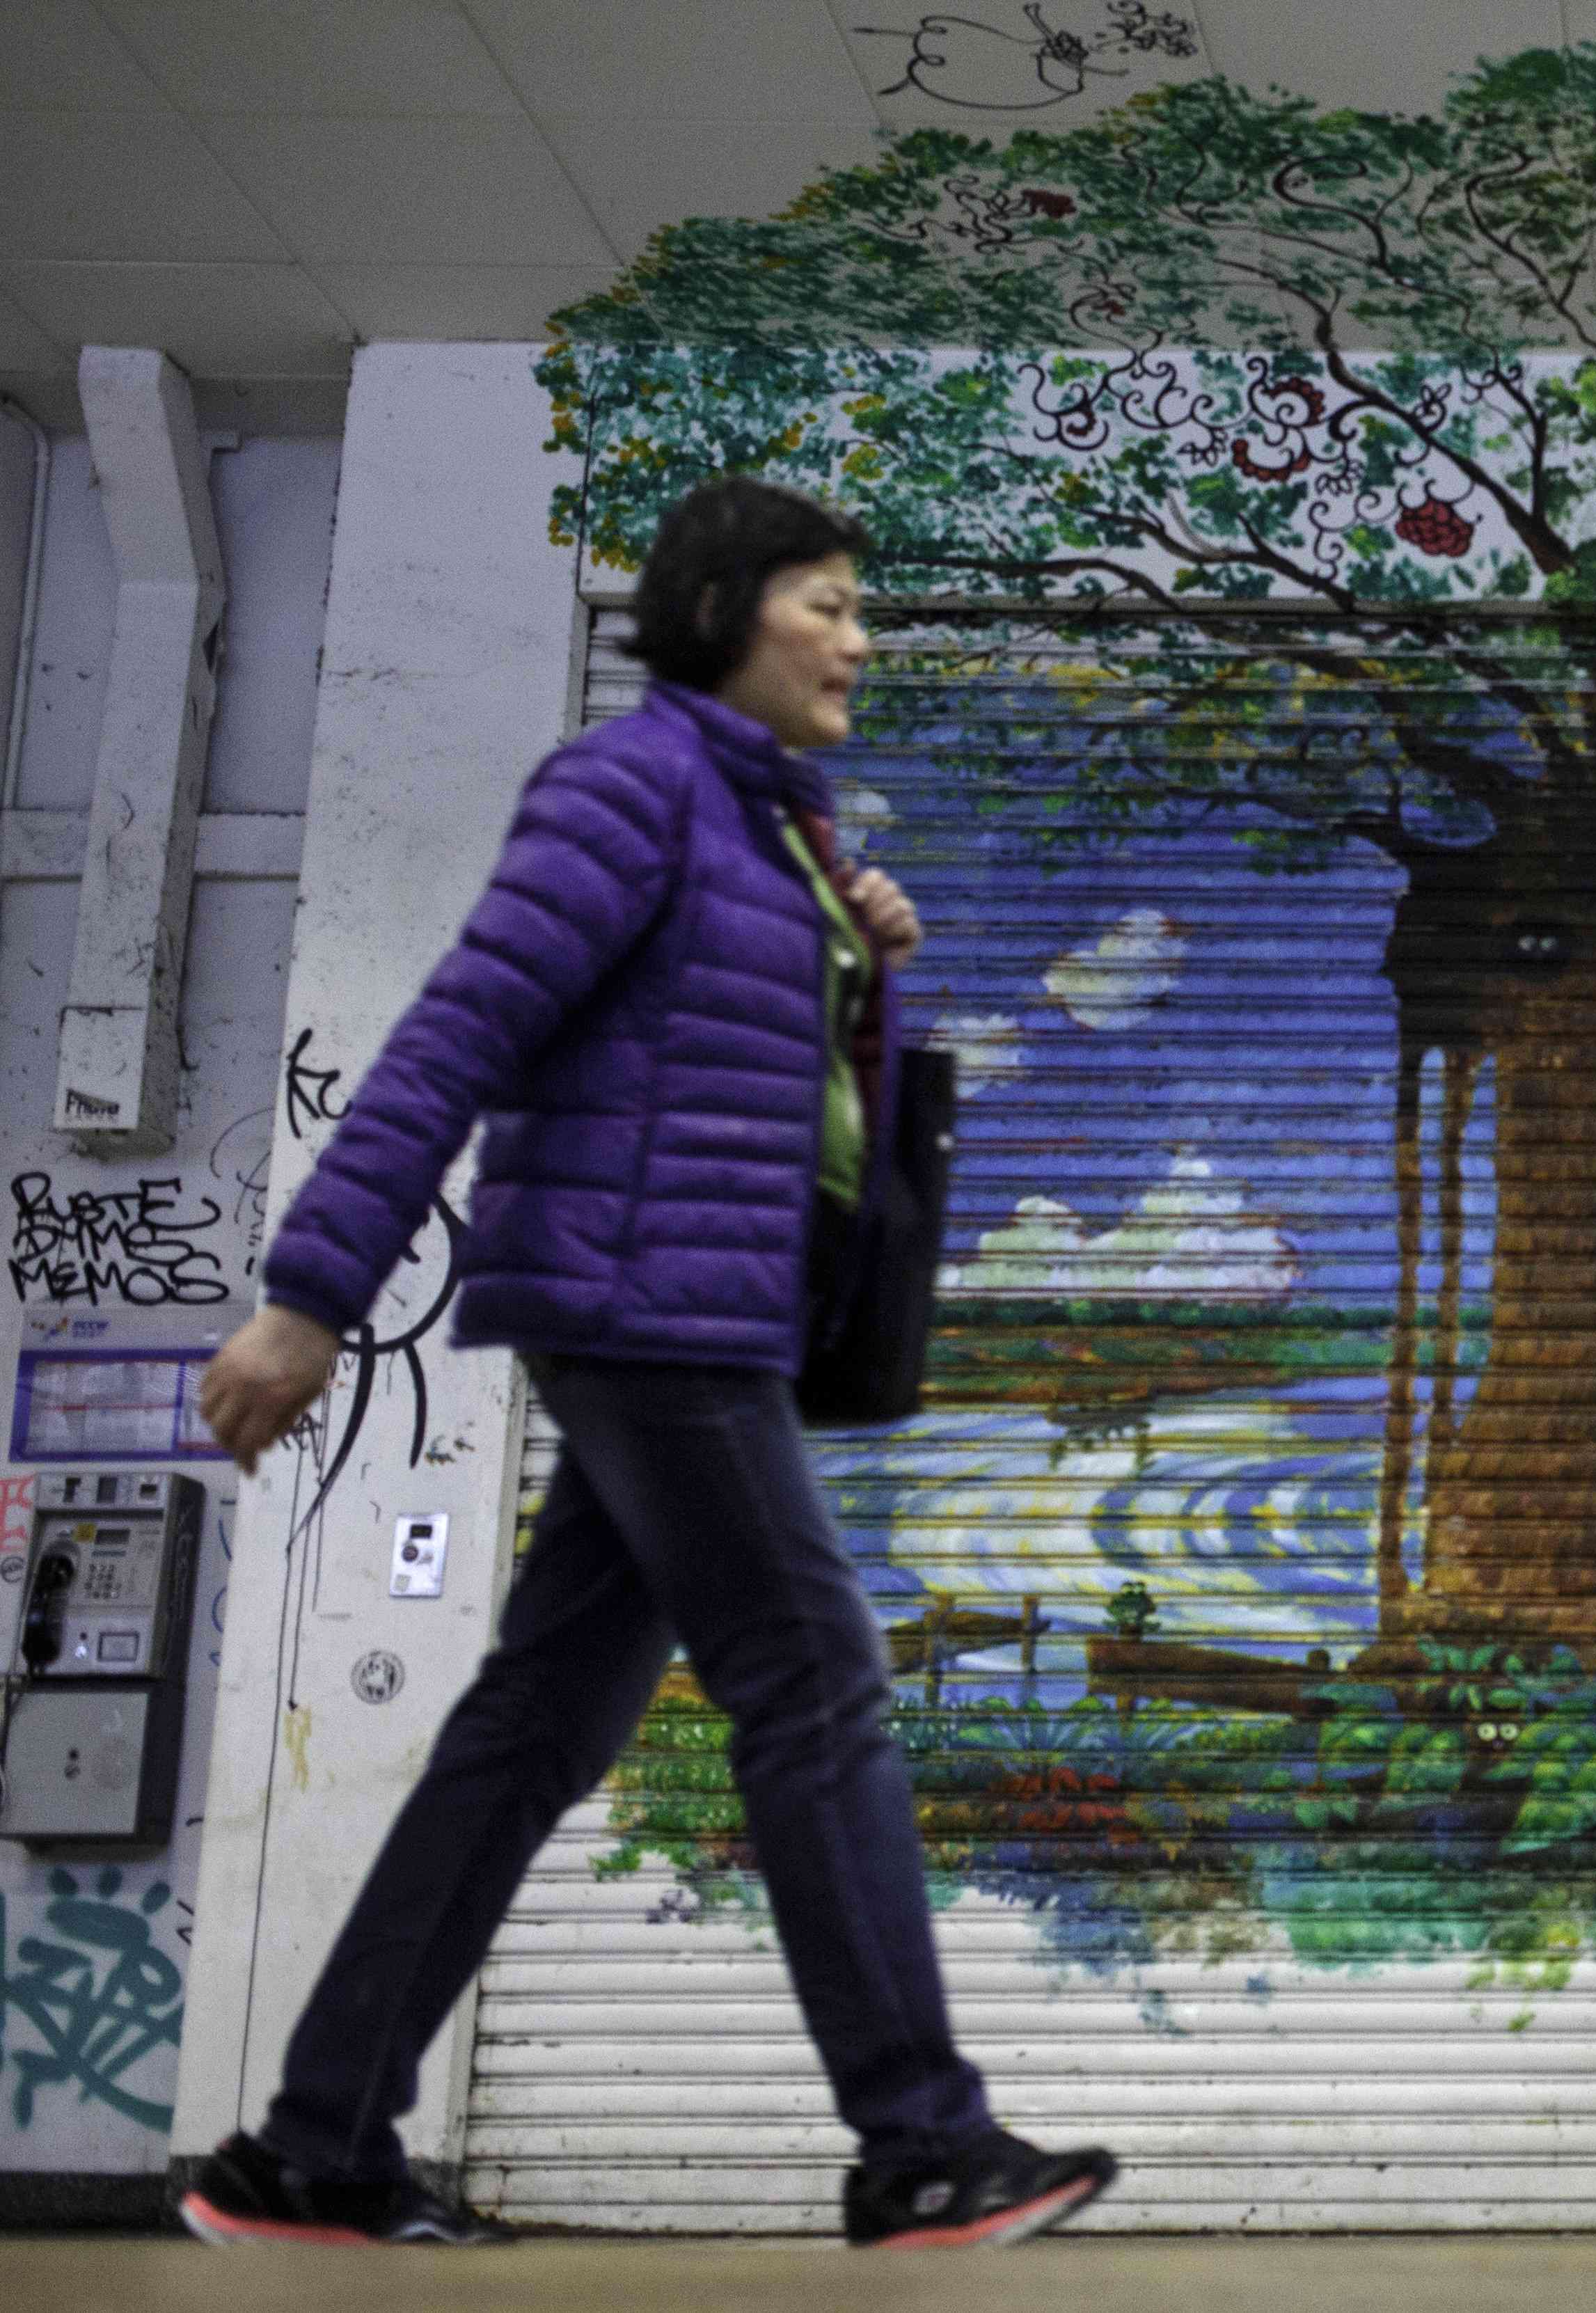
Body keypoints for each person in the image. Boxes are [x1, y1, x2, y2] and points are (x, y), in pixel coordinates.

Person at [175, 477, 1118, 2250]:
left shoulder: (778, 832)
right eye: (824, 600)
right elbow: (459, 1032)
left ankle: (314, 2148)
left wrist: (867, 957)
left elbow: (761, 1095)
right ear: (718, 610)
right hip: (645, 1312)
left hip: (691, 1316)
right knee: (816, 1673)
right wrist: (310, 1295)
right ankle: (921, 2135)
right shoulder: (630, 787)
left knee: (535, 1727)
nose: (857, 637)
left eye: (859, 606)